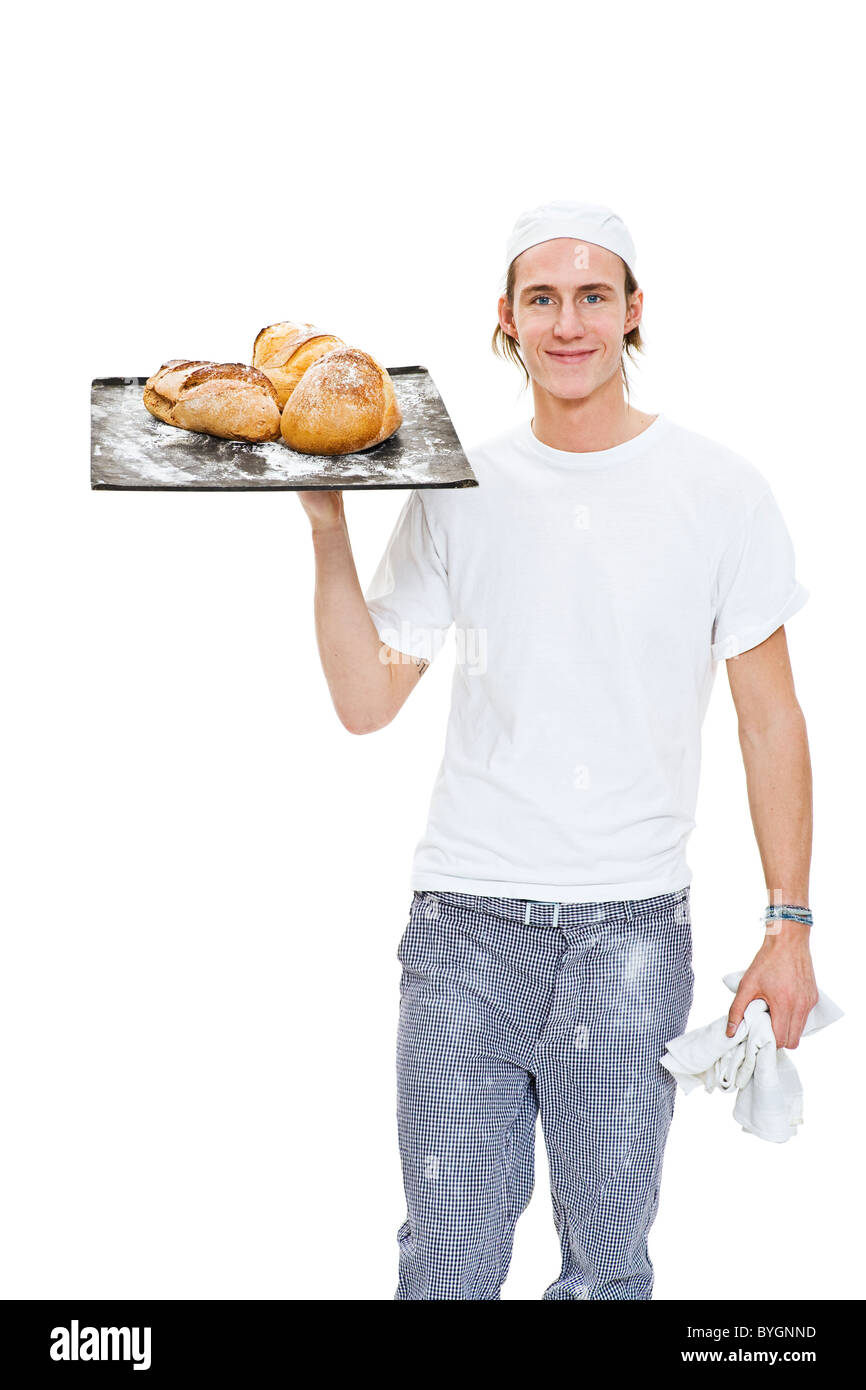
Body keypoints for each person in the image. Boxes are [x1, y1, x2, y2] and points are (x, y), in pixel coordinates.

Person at [296, 200, 819, 1301]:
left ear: (633, 313)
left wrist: (786, 922)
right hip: (464, 928)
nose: (567, 321)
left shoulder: (718, 492)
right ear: (507, 319)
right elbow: (363, 699)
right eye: (542, 298)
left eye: (592, 296)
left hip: (629, 933)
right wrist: (328, 528)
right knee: (443, 1266)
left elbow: (768, 717)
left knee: (606, 1272)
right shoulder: (459, 488)